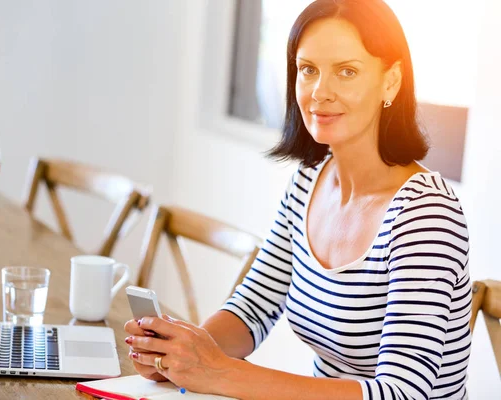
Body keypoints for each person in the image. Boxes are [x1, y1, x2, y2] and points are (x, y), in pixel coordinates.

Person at [124, 0, 472, 398]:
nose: (320, 92)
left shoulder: (426, 214)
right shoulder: (309, 181)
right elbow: (252, 308)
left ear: (391, 81)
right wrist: (183, 353)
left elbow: (404, 393)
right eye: (308, 70)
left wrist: (220, 373)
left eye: (347, 71)